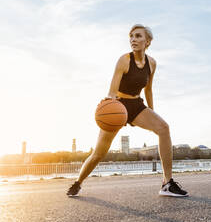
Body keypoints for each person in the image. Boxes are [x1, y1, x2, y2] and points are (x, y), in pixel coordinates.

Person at [67, 24, 188, 197]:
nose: (133, 39)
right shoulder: (124, 60)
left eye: (138, 36)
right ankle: (78, 182)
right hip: (117, 106)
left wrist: (152, 112)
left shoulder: (152, 63)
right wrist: (109, 101)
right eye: (131, 36)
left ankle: (167, 184)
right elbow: (112, 90)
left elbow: (148, 90)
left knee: (163, 128)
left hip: (137, 105)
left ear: (148, 41)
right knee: (99, 153)